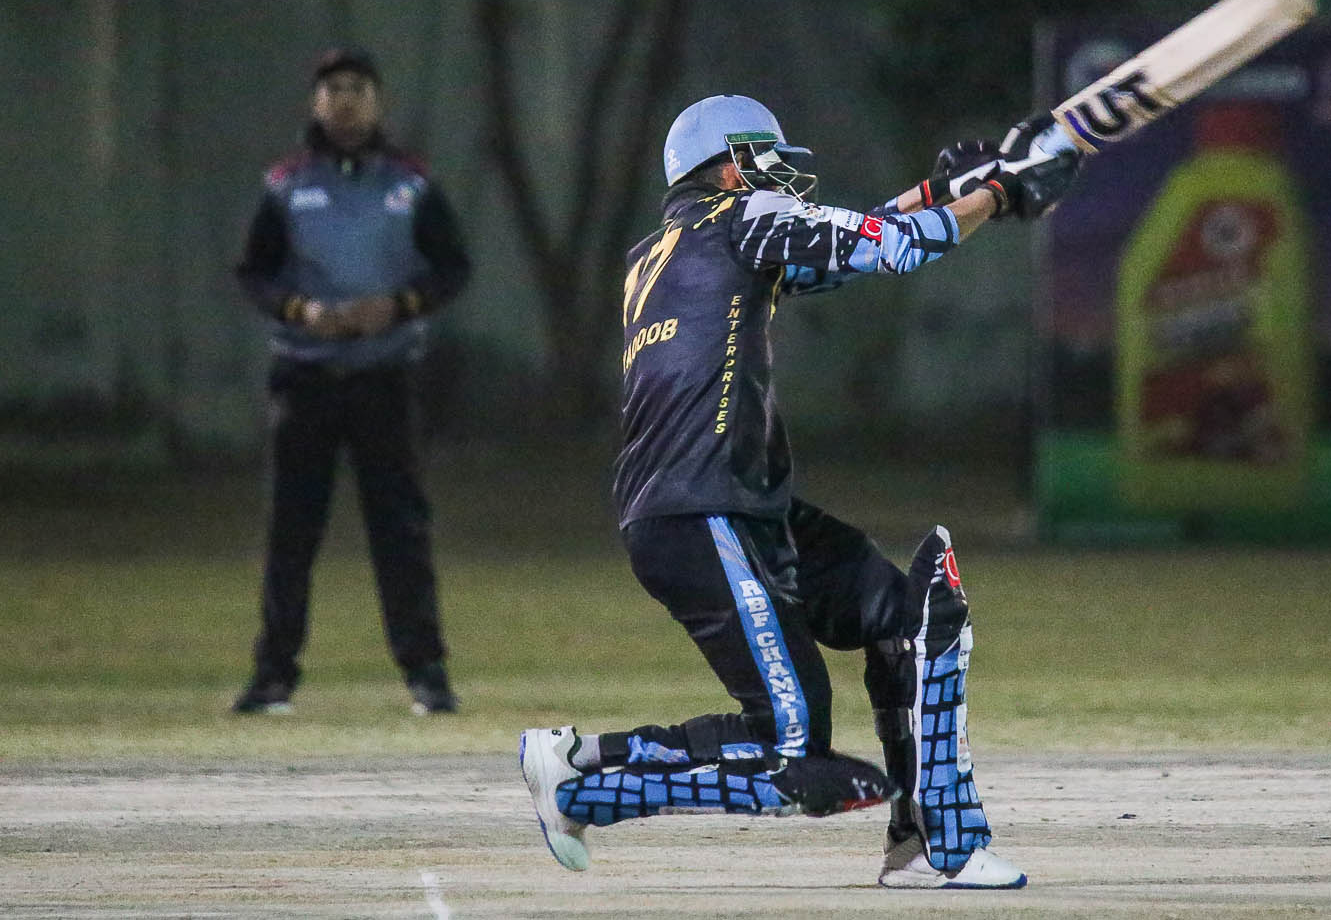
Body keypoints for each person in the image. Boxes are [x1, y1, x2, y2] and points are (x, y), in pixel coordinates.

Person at [516, 94, 1081, 887]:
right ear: (729, 166)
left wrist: (941, 193)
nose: (783, 177)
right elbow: (893, 247)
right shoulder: (742, 219)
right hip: (702, 509)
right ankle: (584, 780)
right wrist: (998, 193)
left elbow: (849, 243)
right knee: (791, 748)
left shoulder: (671, 245)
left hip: (732, 505)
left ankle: (927, 843)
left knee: (906, 617)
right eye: (767, 160)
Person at [231, 47, 472, 716]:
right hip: (304, 378)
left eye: (358, 88)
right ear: (315, 101)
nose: (345, 100)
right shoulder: (285, 184)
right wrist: (300, 311)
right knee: (292, 532)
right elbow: (254, 272)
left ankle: (427, 675)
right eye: (333, 88)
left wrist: (400, 306)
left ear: (377, 101)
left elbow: (452, 266)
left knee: (401, 530)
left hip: (383, 378)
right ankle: (273, 676)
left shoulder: (411, 183)